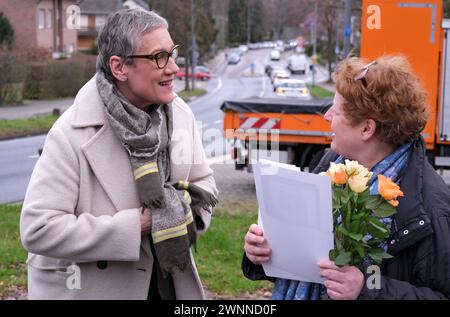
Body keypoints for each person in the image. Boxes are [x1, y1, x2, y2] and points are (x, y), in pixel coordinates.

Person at [20, 8, 218, 300]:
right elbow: (39, 228)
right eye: (158, 57)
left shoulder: (179, 114)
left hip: (167, 285)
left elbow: (204, 184)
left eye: (172, 53)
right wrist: (136, 226)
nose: (174, 67)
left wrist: (176, 211)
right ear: (119, 68)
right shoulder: (70, 133)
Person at [242, 55, 450, 300]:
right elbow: (311, 259)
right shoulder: (331, 165)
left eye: (337, 111)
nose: (327, 115)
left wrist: (368, 287)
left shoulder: (431, 208)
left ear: (366, 129)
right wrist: (262, 253)